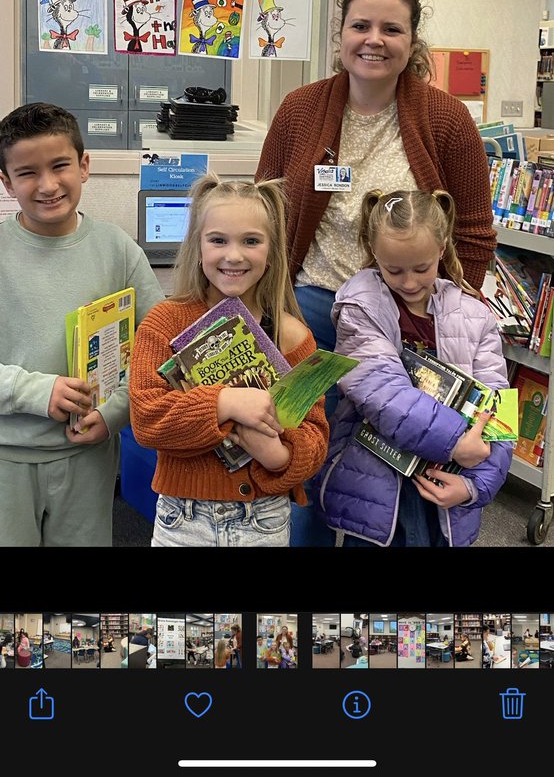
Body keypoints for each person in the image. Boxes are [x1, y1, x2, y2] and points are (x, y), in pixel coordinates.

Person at [255, 0, 495, 546]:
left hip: (408, 316)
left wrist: (448, 312)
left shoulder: (446, 119)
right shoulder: (300, 109)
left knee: (396, 459)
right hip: (310, 311)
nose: (374, 39)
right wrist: (265, 304)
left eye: (393, 28)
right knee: (304, 450)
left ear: (413, 42)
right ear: (339, 34)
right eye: (360, 25)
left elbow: (475, 232)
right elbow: (264, 210)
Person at [129, 174, 329, 547]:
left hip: (264, 520)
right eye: (218, 240)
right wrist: (226, 402)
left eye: (251, 241)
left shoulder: (291, 335)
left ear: (270, 251)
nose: (233, 255)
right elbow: (146, 420)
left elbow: (316, 435)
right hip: (184, 520)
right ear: (198, 247)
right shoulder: (164, 322)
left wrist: (278, 455)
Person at [0, 102, 164, 547]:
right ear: (5, 181)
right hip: (6, 460)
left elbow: (156, 352)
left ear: (84, 165)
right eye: (28, 172)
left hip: (88, 455)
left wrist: (114, 414)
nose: (48, 185)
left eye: (59, 166)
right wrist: (35, 391)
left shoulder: (118, 250)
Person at [315, 188, 512, 548]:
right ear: (374, 252)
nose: (408, 282)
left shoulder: (474, 313)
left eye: (421, 268)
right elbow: (382, 392)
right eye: (394, 269)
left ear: (442, 248)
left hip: (448, 491)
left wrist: (475, 485)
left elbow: (499, 409)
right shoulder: (361, 304)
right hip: (377, 483)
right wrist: (455, 442)